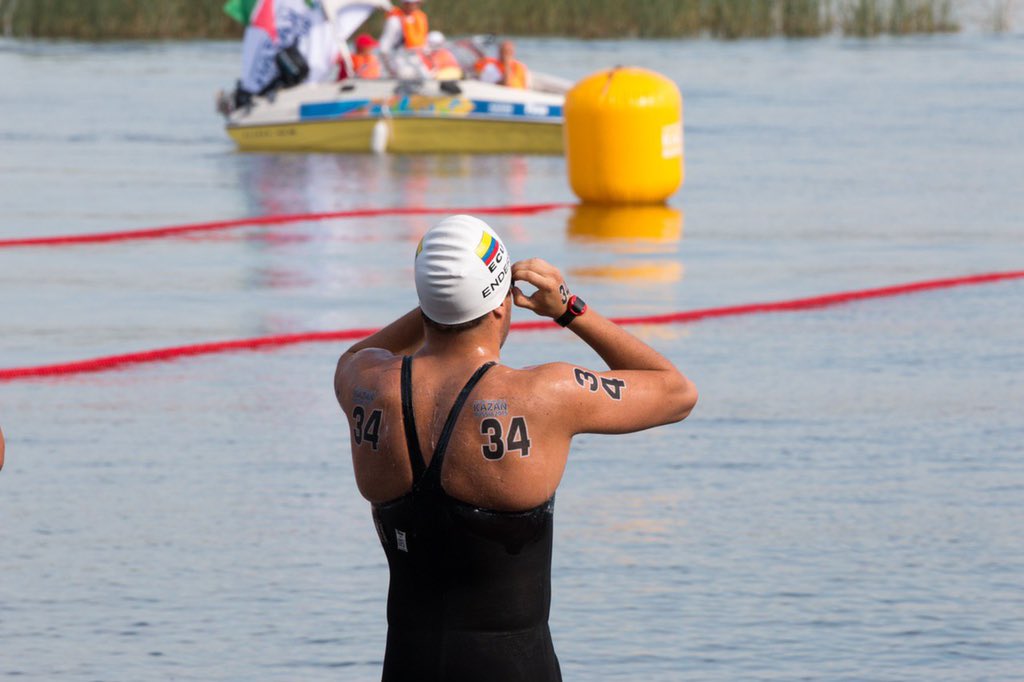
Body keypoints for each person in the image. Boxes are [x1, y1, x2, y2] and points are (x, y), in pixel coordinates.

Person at [334, 215, 697, 681]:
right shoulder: (546, 394)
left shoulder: (363, 382)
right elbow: (677, 392)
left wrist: (440, 300)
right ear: (502, 306)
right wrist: (568, 308)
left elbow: (351, 354)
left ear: (425, 302)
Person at [379, 0, 428, 77]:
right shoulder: (394, 21)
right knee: (407, 76)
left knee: (426, 76)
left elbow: (423, 45)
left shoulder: (419, 18)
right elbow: (384, 49)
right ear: (404, 4)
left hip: (416, 60)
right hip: (399, 60)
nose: (415, 6)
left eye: (417, 3)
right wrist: (390, 69)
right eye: (411, 4)